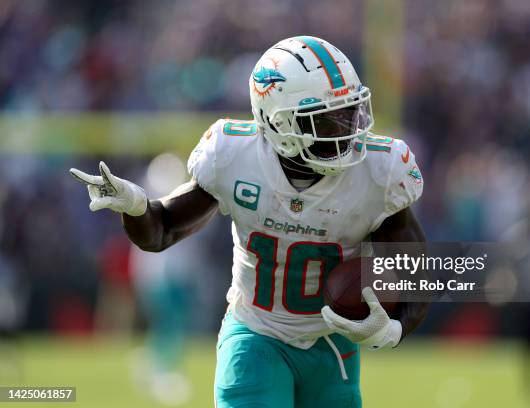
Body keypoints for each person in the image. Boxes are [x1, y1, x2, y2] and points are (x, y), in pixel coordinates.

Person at [70, 36, 428, 408]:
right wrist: (136, 207)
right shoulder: (233, 156)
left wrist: (395, 328)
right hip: (257, 335)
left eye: (349, 113)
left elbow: (416, 268)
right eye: (327, 120)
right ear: (278, 122)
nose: (346, 132)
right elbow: (161, 230)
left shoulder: (380, 170)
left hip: (332, 344)